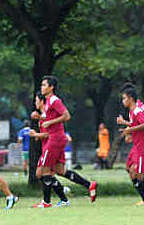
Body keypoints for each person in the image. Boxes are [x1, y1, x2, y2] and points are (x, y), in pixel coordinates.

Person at [33, 76, 97, 208]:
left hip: (55, 138)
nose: (42, 87)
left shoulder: (55, 100)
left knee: (43, 170)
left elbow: (66, 116)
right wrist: (41, 117)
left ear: (51, 87)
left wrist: (50, 122)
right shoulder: (49, 101)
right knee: (59, 170)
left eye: (44, 85)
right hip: (57, 138)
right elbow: (49, 118)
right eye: (42, 85)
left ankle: (46, 202)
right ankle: (88, 185)